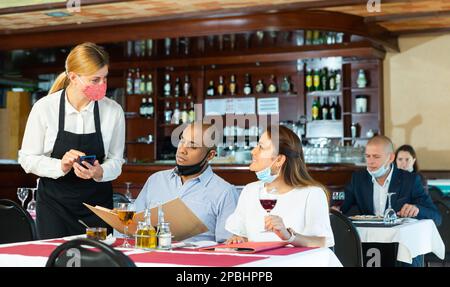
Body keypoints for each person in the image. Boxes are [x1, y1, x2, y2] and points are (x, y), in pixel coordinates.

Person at [18, 42, 125, 239]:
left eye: (104, 78)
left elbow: (117, 161)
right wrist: (61, 165)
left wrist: (101, 171)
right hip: (54, 207)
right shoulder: (44, 108)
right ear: (73, 77)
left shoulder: (113, 111)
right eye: (95, 80)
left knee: (97, 261)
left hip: (97, 208)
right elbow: (27, 159)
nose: (102, 85)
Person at [225, 125, 334, 248]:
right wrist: (239, 240)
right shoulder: (250, 190)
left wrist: (288, 236)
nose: (253, 151)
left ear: (279, 160)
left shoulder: (312, 194)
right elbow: (244, 235)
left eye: (261, 147)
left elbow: (323, 242)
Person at [134, 123, 238, 243]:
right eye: (182, 141)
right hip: (150, 256)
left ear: (210, 155)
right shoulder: (156, 180)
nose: (182, 150)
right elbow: (133, 225)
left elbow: (227, 244)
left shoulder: (225, 192)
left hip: (197, 259)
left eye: (193, 147)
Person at [339, 136, 440, 226]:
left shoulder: (410, 180)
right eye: (367, 156)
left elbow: (437, 217)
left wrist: (417, 210)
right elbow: (341, 206)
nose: (370, 162)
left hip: (399, 241)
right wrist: (335, 208)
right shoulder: (358, 179)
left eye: (376, 156)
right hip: (366, 240)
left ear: (391, 158)